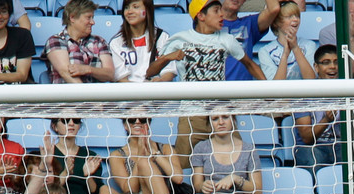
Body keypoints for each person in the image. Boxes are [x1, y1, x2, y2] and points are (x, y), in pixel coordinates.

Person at [157, 0, 266, 165]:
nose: (221, 15)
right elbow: (150, 71)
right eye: (216, 11)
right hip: (191, 115)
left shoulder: (227, 39)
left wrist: (270, 91)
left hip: (220, 113)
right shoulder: (179, 39)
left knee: (237, 161)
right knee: (185, 167)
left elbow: (251, 65)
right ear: (200, 15)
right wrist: (168, 57)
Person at [292, 45, 354, 171]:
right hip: (312, 147)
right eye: (326, 63)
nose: (332, 66)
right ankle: (316, 191)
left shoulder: (349, 93)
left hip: (341, 146)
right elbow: (306, 138)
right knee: (312, 160)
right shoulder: (303, 94)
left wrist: (347, 117)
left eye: (336, 62)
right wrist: (326, 120)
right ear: (316, 67)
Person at [108, 116, 186, 194]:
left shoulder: (165, 148)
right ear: (125, 125)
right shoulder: (117, 155)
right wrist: (141, 156)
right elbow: (129, 190)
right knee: (144, 163)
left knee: (145, 163)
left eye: (142, 119)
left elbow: (178, 178)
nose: (137, 121)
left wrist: (155, 153)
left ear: (148, 124)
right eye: (132, 119)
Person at [189, 113, 262, 194]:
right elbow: (197, 185)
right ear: (210, 124)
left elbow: (257, 192)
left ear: (233, 120)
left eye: (225, 117)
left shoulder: (249, 149)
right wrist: (203, 186)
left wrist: (235, 179)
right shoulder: (201, 147)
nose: (221, 122)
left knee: (225, 193)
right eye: (215, 119)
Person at [49, 116, 112, 194]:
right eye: (65, 120)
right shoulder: (49, 154)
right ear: (54, 126)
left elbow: (95, 191)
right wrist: (65, 173)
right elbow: (47, 189)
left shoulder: (88, 155)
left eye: (76, 120)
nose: (71, 123)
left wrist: (88, 176)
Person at [43, 0, 116, 84]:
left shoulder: (99, 41)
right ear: (72, 17)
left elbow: (110, 74)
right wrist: (86, 96)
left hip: (97, 95)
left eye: (93, 18)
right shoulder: (56, 41)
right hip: (67, 95)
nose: (93, 22)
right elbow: (66, 73)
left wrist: (88, 69)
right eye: (88, 17)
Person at [108, 0, 177, 83]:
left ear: (147, 10)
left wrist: (160, 81)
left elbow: (169, 72)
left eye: (135, 7)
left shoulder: (162, 37)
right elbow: (121, 79)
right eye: (126, 8)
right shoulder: (116, 42)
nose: (129, 12)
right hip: (129, 94)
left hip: (157, 92)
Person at [221, 0, 280, 81]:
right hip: (213, 89)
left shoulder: (249, 23)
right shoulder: (205, 24)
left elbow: (274, 8)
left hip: (243, 90)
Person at [256, 0, 315, 80]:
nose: (295, 19)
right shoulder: (265, 51)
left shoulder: (309, 45)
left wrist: (295, 48)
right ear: (275, 23)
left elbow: (311, 79)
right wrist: (285, 56)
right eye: (289, 16)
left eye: (297, 16)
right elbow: (275, 87)